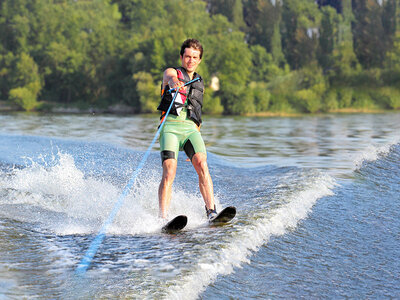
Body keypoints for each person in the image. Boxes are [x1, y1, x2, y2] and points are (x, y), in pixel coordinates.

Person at [157, 38, 217, 221]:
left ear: (199, 60)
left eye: (195, 57)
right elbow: (169, 76)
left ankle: (211, 211)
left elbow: (197, 111)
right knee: (169, 170)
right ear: (182, 57)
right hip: (171, 128)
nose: (190, 60)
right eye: (187, 56)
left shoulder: (200, 82)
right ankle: (163, 218)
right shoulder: (172, 73)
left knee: (201, 163)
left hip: (191, 130)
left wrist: (194, 141)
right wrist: (174, 81)